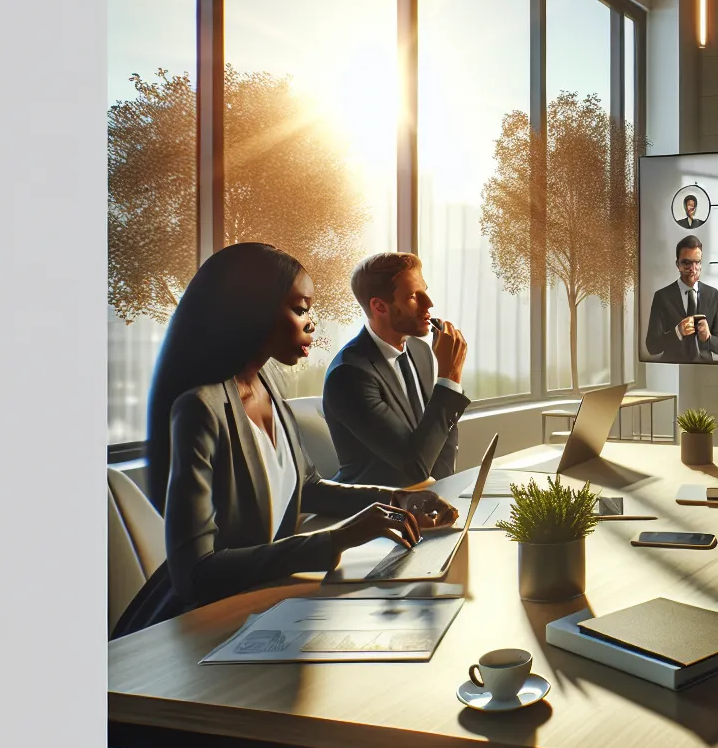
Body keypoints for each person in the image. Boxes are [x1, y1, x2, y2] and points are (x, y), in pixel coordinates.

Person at [112, 242, 458, 638]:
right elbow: (196, 574)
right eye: (300, 309)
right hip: (200, 623)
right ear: (252, 312)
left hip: (262, 603)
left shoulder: (267, 387)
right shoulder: (199, 409)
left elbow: (307, 487)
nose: (311, 324)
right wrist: (337, 539)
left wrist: (397, 500)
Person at [322, 252, 470, 488]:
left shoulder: (421, 351)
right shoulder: (349, 375)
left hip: (426, 497)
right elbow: (414, 467)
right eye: (412, 296)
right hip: (377, 505)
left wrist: (446, 490)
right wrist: (449, 377)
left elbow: (439, 435)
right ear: (379, 306)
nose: (429, 304)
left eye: (425, 291)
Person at [644, 234, 718, 363]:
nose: (693, 269)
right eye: (686, 263)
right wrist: (677, 332)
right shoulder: (662, 297)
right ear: (678, 264)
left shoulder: (712, 295)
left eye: (697, 262)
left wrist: (708, 338)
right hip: (672, 368)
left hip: (705, 370)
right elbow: (652, 347)